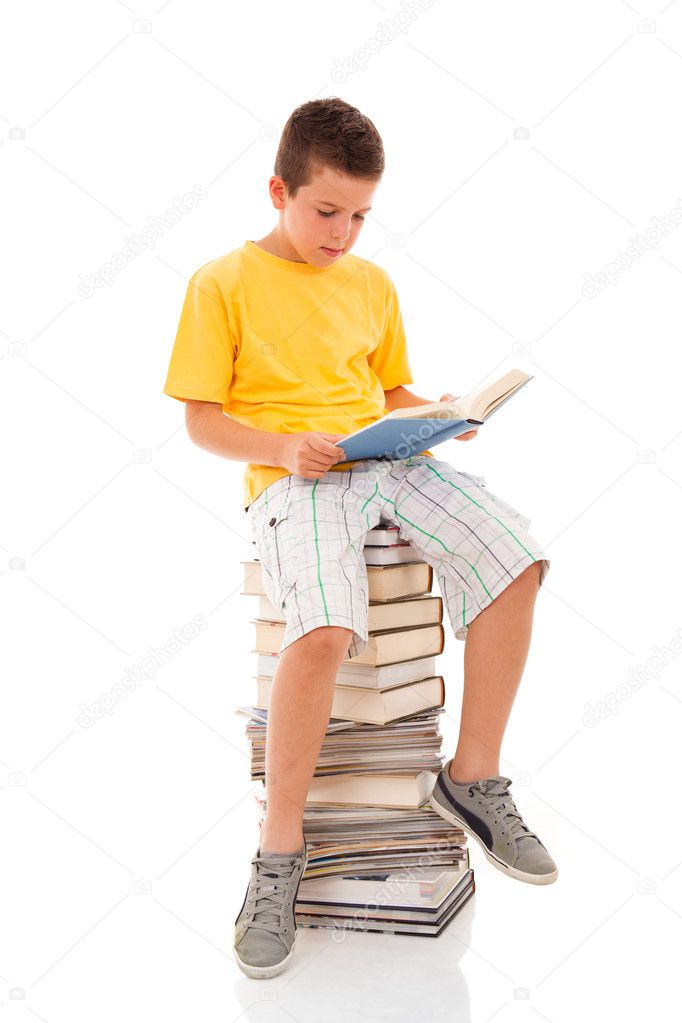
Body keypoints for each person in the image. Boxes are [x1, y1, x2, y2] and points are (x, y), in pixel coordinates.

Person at [163, 97, 557, 980]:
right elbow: (199, 420)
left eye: (360, 216)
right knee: (326, 629)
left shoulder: (371, 283)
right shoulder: (220, 282)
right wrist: (279, 446)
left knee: (517, 561)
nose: (342, 234)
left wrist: (442, 413)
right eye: (326, 212)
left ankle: (474, 774)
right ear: (280, 190)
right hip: (294, 478)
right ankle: (279, 855)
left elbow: (385, 391)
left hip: (387, 464)